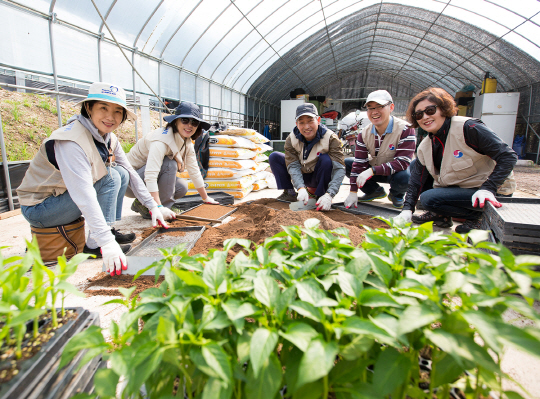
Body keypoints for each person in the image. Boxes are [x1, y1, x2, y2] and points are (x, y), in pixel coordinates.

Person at [17, 82, 174, 276]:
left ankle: (105, 232)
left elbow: (130, 171)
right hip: (40, 208)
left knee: (121, 173)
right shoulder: (71, 141)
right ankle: (95, 243)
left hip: (62, 202)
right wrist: (105, 242)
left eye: (118, 111)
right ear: (89, 108)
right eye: (103, 108)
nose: (110, 117)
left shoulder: (108, 137)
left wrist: (153, 207)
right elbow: (83, 193)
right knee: (109, 177)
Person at [394, 87, 517, 233]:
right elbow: (416, 181)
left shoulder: (468, 128)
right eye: (419, 114)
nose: (425, 117)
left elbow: (508, 155)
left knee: (428, 199)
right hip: (463, 190)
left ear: (443, 109)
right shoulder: (425, 146)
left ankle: (480, 218)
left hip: (490, 193)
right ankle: (440, 215)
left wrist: (489, 188)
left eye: (430, 110)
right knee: (416, 166)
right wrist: (407, 209)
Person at [126, 101, 219, 218]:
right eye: (185, 120)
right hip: (130, 182)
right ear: (176, 121)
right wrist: (159, 207)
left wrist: (205, 198)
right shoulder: (161, 140)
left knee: (181, 187)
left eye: (194, 122)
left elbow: (194, 170)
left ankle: (142, 204)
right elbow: (150, 175)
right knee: (169, 164)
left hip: (143, 181)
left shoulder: (186, 142)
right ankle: (162, 208)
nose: (189, 125)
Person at [344, 90, 416, 209]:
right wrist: (353, 191)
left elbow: (402, 162)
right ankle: (374, 191)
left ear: (391, 107)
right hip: (377, 169)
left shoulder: (405, 129)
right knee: (349, 163)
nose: (374, 112)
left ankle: (396, 194)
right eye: (370, 108)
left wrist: (371, 171)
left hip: (395, 173)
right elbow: (359, 163)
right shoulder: (364, 133)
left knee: (405, 176)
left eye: (380, 107)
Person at [269, 103, 345, 211]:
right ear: (296, 124)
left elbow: (339, 168)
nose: (306, 126)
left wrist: (330, 193)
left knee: (326, 160)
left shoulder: (330, 138)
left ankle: (321, 195)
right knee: (275, 156)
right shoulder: (291, 139)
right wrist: (300, 187)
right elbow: (293, 165)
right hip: (301, 175)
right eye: (301, 122)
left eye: (310, 121)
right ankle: (290, 193)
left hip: (318, 176)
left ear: (318, 120)